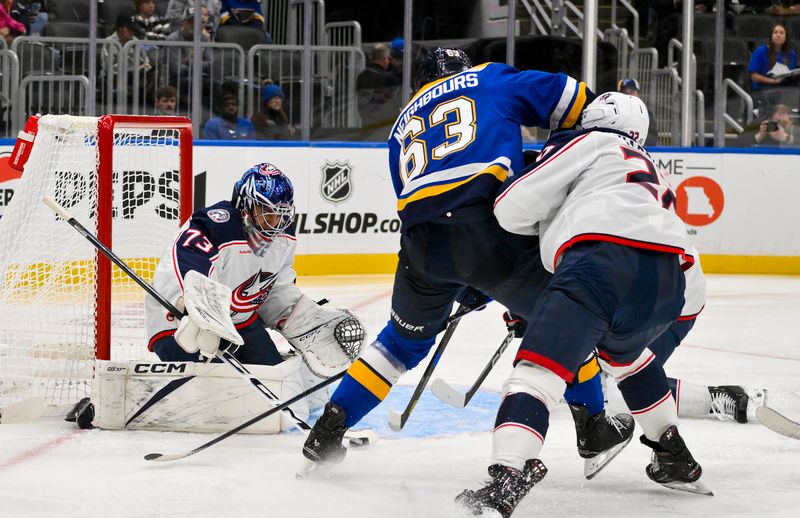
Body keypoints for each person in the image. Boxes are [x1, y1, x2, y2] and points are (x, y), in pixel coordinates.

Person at [301, 48, 635, 478]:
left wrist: (463, 278)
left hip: (422, 247)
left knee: (400, 345)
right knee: (567, 319)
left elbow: (426, 196)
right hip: (488, 228)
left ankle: (327, 430)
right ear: (465, 69)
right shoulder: (489, 78)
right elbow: (575, 100)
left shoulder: (401, 124)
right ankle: (592, 428)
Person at [460, 92, 710, 518]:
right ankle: (673, 454)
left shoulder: (590, 142)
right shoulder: (651, 166)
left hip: (599, 264)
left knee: (535, 375)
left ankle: (507, 476)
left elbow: (510, 207)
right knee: (629, 358)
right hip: (668, 281)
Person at [145, 162, 363, 376]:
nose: (274, 222)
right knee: (213, 386)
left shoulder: (283, 235)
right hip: (179, 323)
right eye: (266, 212)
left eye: (280, 214)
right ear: (245, 207)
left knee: (277, 378)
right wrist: (198, 311)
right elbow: (185, 265)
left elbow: (275, 288)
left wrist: (297, 316)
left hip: (238, 322)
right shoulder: (217, 224)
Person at [356, 43, 402, 140]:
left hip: (366, 122)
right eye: (388, 58)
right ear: (385, 59)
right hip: (384, 126)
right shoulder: (389, 78)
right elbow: (394, 103)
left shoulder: (361, 76)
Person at [617, 78, 659, 146]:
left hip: (639, 151)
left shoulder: (646, 113)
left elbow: (652, 137)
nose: (629, 95)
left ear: (638, 94)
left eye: (632, 92)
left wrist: (637, 146)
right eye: (625, 92)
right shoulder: (613, 111)